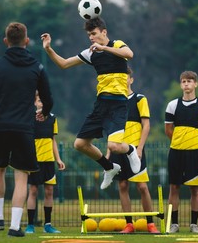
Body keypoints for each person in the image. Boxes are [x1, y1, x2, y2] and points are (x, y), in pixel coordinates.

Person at [41, 17, 140, 190]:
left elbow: (129, 54)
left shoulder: (117, 44)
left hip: (118, 105)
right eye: (89, 35)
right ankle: (109, 168)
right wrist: (49, 49)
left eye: (94, 34)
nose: (91, 38)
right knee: (79, 144)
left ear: (104, 32)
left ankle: (131, 150)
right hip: (101, 105)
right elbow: (64, 64)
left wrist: (104, 48)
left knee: (114, 146)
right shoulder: (90, 53)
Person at [0, 22, 53, 237]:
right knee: (21, 175)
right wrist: (44, 112)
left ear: (6, 41)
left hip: (0, 126)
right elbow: (48, 99)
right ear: (27, 41)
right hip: (24, 127)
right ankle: (14, 226)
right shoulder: (37, 67)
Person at [107, 67, 160, 234]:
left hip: (135, 150)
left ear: (131, 80)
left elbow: (146, 125)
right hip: (117, 149)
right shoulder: (115, 102)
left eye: (126, 77)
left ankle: (150, 223)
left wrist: (139, 148)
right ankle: (129, 224)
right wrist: (108, 154)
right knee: (122, 185)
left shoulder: (139, 99)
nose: (123, 80)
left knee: (142, 187)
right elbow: (111, 129)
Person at [164, 71, 198, 234]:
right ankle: (174, 224)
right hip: (176, 152)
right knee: (174, 188)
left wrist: (194, 142)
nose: (186, 84)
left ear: (195, 84)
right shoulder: (172, 105)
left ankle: (193, 224)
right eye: (184, 81)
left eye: (190, 81)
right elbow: (168, 130)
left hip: (195, 152)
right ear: (180, 85)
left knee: (195, 189)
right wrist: (180, 142)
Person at [25, 92, 66, 234]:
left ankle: (48, 224)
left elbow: (53, 140)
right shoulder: (29, 118)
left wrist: (58, 159)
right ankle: (30, 225)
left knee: (49, 191)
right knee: (33, 191)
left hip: (49, 161)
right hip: (35, 161)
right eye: (39, 101)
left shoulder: (53, 119)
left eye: (44, 101)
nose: (41, 103)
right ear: (35, 103)